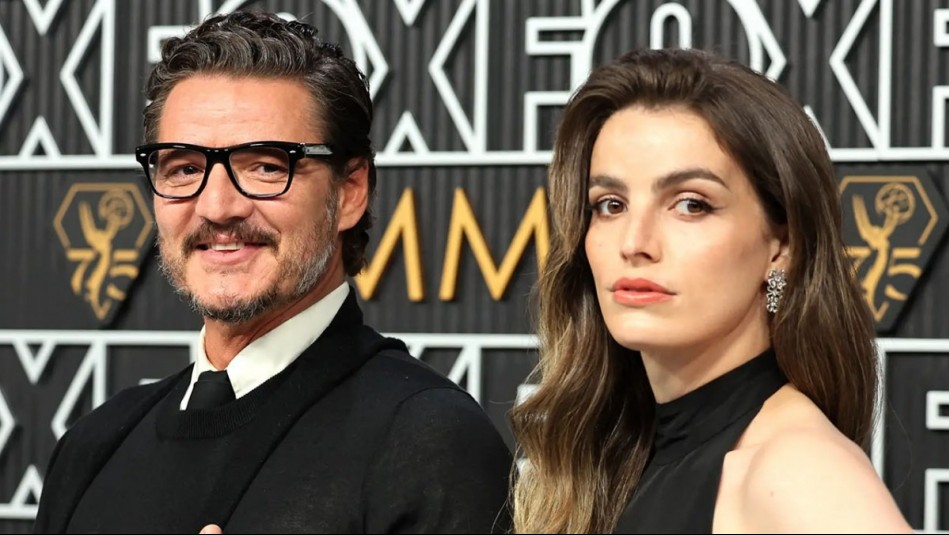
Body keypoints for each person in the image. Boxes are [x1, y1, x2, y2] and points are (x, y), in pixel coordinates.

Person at [34, 11, 512, 534]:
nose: (217, 206)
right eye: (185, 169)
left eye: (265, 166)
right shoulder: (94, 445)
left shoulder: (428, 439)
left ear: (350, 192)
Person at [509, 48, 914, 534]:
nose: (635, 243)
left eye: (691, 204)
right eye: (610, 204)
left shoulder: (796, 471)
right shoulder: (620, 454)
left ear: (781, 245)